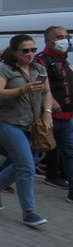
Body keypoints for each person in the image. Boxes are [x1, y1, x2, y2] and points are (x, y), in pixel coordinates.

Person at [0, 34, 53, 227]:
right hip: (9, 124)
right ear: (15, 52)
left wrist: (47, 113)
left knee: (23, 164)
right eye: (25, 50)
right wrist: (23, 89)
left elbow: (47, 92)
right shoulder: (4, 71)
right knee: (26, 166)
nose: (30, 54)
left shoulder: (39, 69)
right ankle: (28, 212)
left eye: (33, 50)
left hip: (32, 125)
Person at [36, 26, 73, 201]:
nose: (64, 40)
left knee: (69, 153)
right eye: (59, 37)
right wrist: (51, 102)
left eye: (66, 36)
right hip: (48, 117)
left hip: (66, 117)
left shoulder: (64, 60)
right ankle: (0, 181)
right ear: (48, 40)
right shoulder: (41, 61)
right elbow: (39, 86)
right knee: (27, 154)